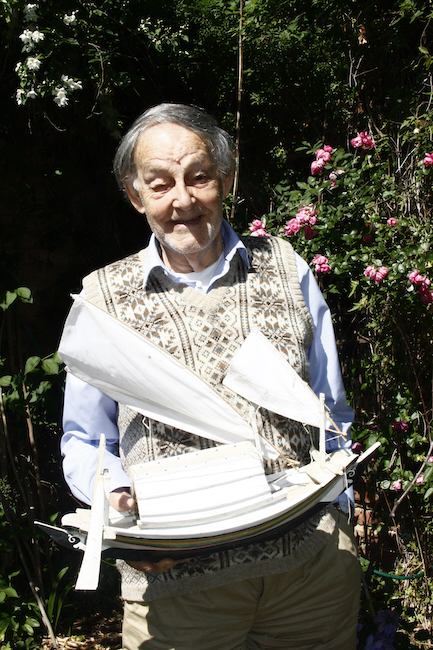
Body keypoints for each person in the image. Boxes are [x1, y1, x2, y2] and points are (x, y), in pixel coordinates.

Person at [61, 103, 361, 650]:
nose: (182, 200)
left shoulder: (287, 266)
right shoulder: (101, 301)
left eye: (198, 177)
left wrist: (341, 512)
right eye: (160, 184)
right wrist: (122, 509)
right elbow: (85, 439)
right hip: (177, 592)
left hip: (310, 579)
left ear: (225, 178)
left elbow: (330, 408)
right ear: (135, 195)